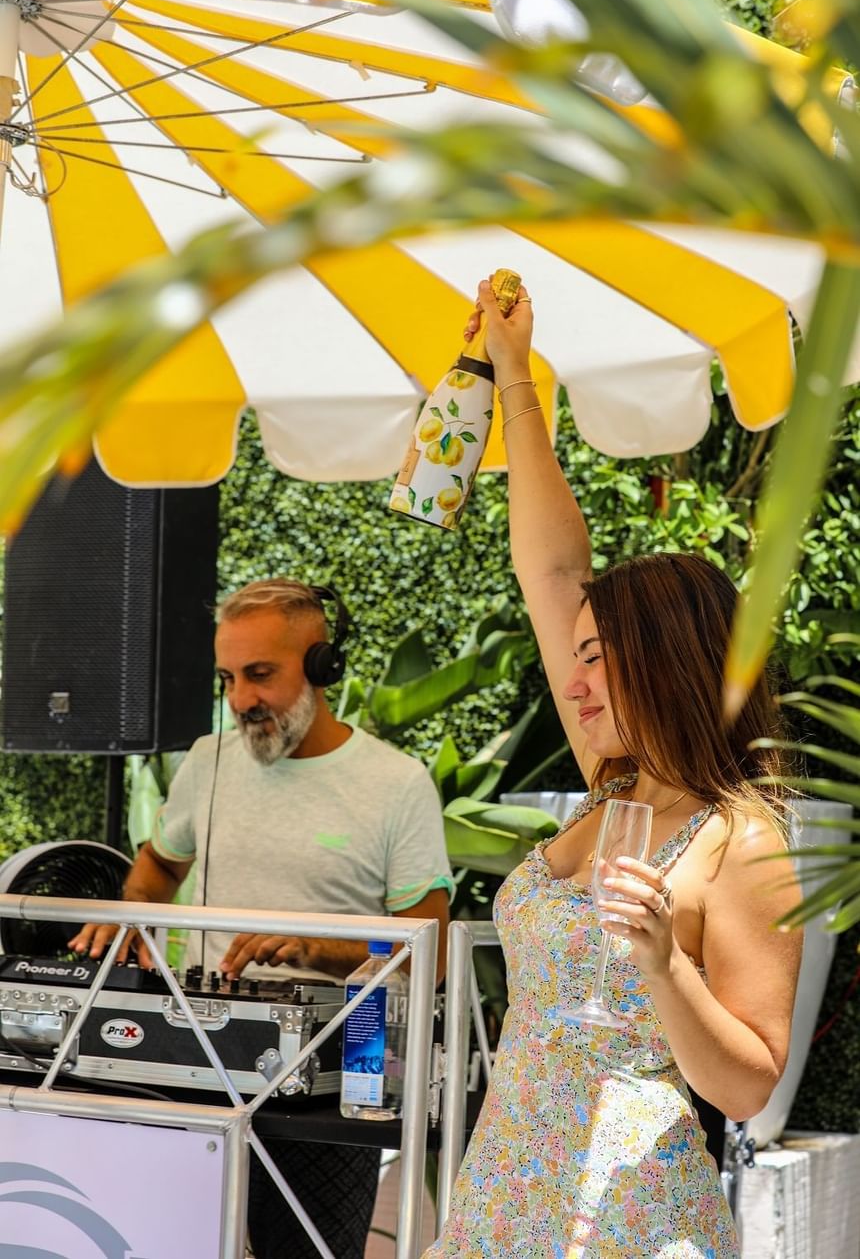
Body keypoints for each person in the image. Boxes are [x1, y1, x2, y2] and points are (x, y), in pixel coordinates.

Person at [424, 283, 802, 1258]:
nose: (575, 679)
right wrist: (513, 373)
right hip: (504, 1195)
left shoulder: (740, 837)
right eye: (576, 653)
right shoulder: (614, 778)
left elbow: (750, 1084)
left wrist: (663, 961)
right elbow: (549, 573)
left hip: (625, 1221)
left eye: (600, 657)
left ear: (670, 662)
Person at [70, 578, 452, 1259]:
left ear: (321, 664)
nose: (241, 700)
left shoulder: (396, 784)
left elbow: (433, 955)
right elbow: (158, 866)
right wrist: (133, 916)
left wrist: (316, 950)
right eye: (228, 678)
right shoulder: (207, 764)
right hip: (196, 1067)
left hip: (332, 1081)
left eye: (261, 675)